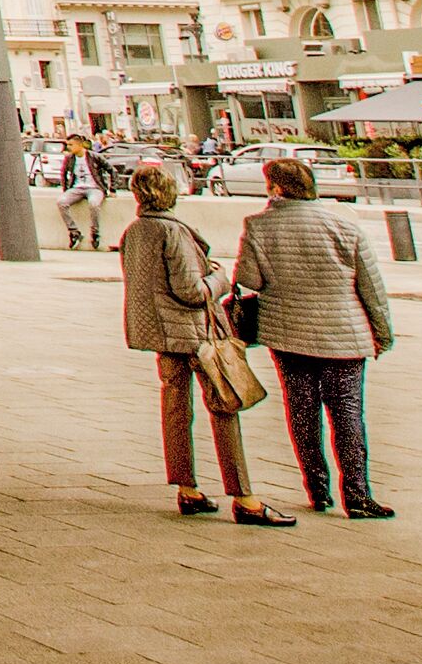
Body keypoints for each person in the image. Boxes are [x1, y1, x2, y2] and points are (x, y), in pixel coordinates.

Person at [120, 165, 291, 526]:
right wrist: (219, 278)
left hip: (162, 335)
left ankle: (188, 489)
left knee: (175, 409)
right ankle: (245, 497)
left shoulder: (135, 231)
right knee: (224, 406)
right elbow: (191, 291)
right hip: (195, 336)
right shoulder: (173, 231)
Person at [234, 155, 397, 517]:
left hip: (288, 333)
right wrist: (382, 334)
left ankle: (317, 489)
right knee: (348, 413)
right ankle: (358, 495)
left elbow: (251, 279)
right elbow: (372, 288)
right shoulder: (344, 226)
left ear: (275, 188)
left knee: (302, 410)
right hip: (345, 334)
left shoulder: (258, 226)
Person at [57, 132, 107, 252]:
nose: (68, 147)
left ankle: (95, 232)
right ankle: (74, 232)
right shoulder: (69, 159)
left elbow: (111, 169)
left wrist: (112, 188)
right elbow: (63, 174)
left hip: (94, 188)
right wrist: (65, 190)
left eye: (71, 145)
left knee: (94, 204)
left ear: (80, 145)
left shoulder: (94, 156)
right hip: (77, 188)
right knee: (61, 202)